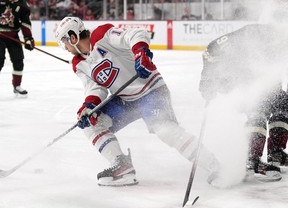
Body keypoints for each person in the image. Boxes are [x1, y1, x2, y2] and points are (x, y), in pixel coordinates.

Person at [55, 16, 219, 187]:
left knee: (165, 131)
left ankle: (214, 165)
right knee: (92, 124)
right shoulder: (78, 63)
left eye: (64, 41)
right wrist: (88, 106)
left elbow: (135, 34)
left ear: (73, 37)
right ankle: (122, 166)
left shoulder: (102, 35)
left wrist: (140, 52)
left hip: (151, 91)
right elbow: (95, 88)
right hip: (125, 101)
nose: (64, 47)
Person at [199, 23, 288, 182]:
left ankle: (276, 152)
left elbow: (273, 75)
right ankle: (251, 159)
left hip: (248, 75)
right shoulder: (258, 39)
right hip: (235, 79)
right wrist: (206, 82)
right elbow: (209, 52)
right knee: (258, 108)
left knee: (283, 103)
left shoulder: (273, 40)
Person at [0, 0, 35, 95]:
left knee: (18, 60)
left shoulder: (23, 5)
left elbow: (25, 23)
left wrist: (28, 38)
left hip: (13, 37)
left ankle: (17, 85)